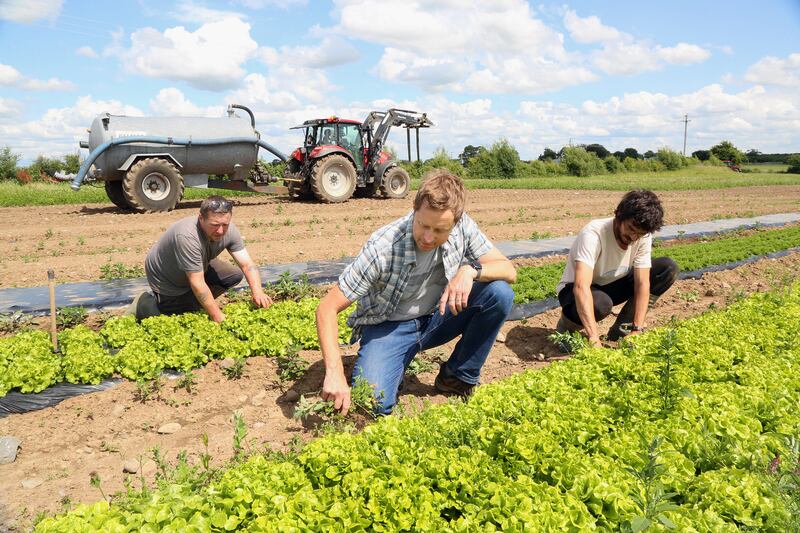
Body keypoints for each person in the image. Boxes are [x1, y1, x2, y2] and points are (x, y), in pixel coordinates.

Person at [315, 169, 517, 415]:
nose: (428, 237)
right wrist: (335, 373)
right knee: (372, 404)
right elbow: (327, 308)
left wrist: (470, 271)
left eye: (440, 230)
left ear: (455, 223)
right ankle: (394, 360)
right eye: (423, 225)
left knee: (499, 293)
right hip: (389, 328)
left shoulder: (463, 226)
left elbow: (508, 270)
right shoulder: (383, 247)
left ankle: (457, 376)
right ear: (414, 209)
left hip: (437, 318)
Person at [555, 189, 679, 346]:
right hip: (574, 290)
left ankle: (622, 331)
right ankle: (567, 328)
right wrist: (594, 337)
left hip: (612, 283)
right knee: (600, 304)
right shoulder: (594, 233)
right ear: (619, 214)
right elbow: (581, 287)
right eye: (631, 229)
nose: (633, 237)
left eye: (640, 234)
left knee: (667, 268)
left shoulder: (642, 235)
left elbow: (642, 283)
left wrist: (637, 329)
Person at [131, 195, 272, 322]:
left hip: (195, 265)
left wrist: (258, 292)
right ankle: (144, 304)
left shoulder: (229, 230)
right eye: (215, 225)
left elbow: (247, 265)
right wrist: (218, 317)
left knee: (233, 275)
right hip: (167, 279)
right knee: (180, 313)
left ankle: (196, 302)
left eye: (225, 225)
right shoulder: (187, 236)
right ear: (201, 218)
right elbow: (197, 281)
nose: (220, 231)